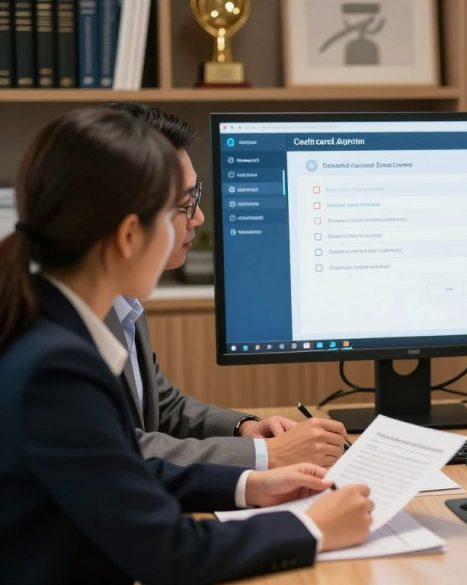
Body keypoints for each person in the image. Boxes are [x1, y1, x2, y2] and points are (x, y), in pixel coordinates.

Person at [0, 108, 373, 583]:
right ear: (130, 234)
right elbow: (166, 552)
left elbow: (117, 473)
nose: (193, 220)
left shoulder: (51, 326)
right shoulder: (55, 369)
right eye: (179, 206)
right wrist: (310, 528)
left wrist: (248, 485)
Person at [97, 102, 347, 470]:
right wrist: (268, 457)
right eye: (186, 203)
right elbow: (115, 449)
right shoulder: (61, 326)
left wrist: (245, 429)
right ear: (128, 217)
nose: (198, 217)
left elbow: (159, 407)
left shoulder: (124, 299)